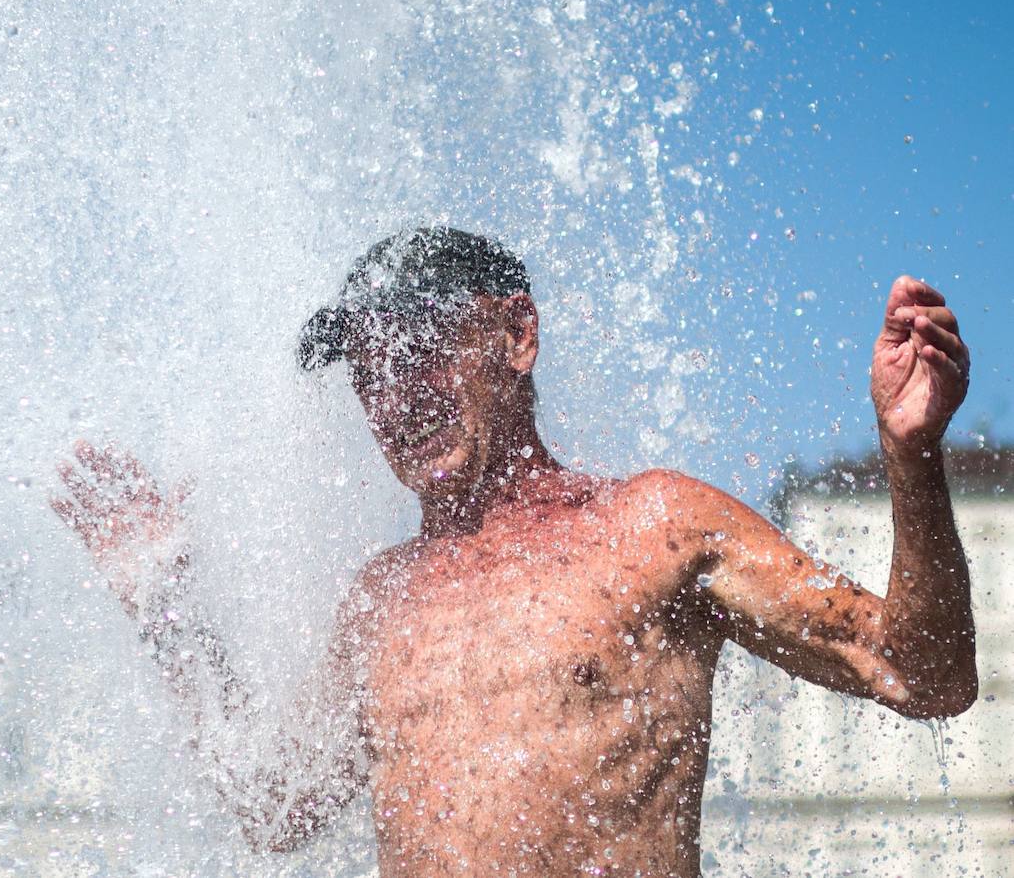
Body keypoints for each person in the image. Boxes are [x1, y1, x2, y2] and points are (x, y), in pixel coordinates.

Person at [51, 227, 977, 877]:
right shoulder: (381, 601)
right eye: (366, 369)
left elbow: (922, 673)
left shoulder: (653, 526)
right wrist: (163, 596)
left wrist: (911, 458)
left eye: (420, 350)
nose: (392, 392)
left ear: (517, 336)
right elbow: (273, 808)